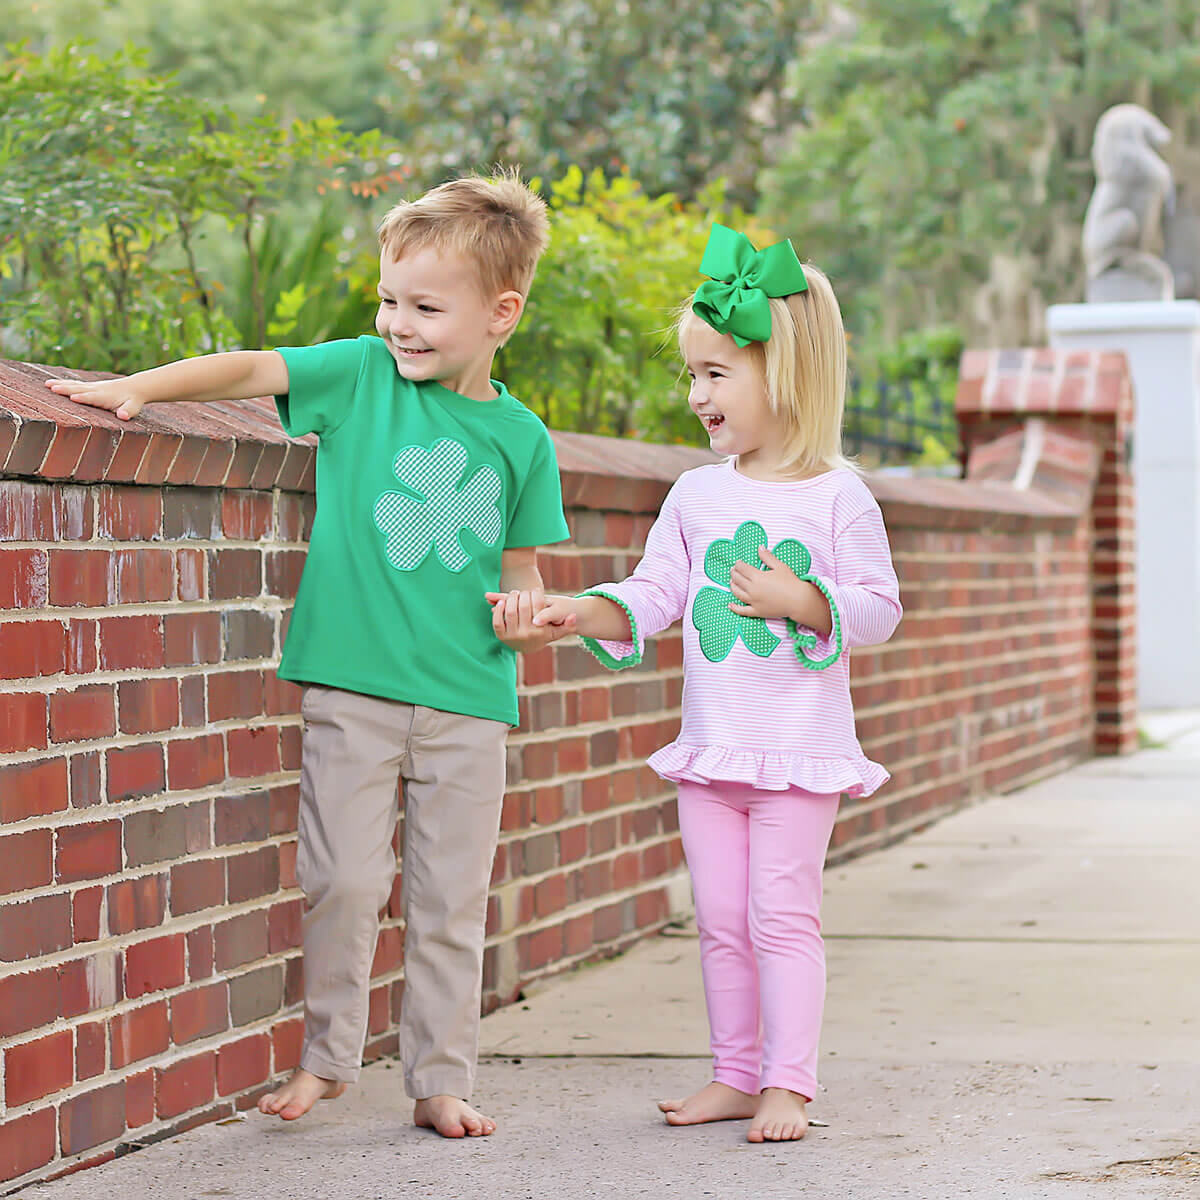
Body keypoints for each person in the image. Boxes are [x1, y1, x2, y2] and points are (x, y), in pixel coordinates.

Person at [47, 173, 573, 1139]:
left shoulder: (521, 438)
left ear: (502, 313)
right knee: (343, 880)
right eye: (388, 299)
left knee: (450, 901)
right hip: (353, 689)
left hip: (468, 700)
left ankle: (441, 1079)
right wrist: (136, 389)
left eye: (423, 306)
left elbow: (523, 572)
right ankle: (328, 1061)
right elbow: (249, 369)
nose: (397, 323)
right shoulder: (361, 376)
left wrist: (524, 614)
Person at [493, 224, 902, 1143]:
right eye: (692, 374)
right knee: (720, 918)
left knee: (779, 916)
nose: (697, 395)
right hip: (712, 751)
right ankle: (734, 1072)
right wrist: (583, 611)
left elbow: (879, 609)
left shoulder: (840, 498)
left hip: (798, 755)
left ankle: (787, 1084)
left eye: (717, 373)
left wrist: (807, 599)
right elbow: (658, 593)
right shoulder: (695, 496)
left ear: (784, 372)